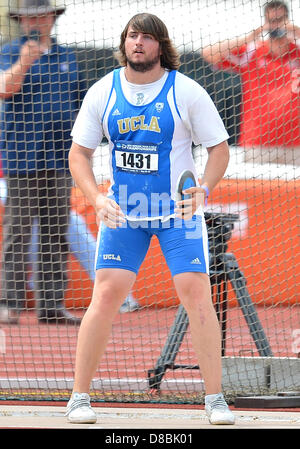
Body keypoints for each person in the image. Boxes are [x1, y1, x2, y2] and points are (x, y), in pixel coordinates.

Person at [65, 13, 235, 425]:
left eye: (146, 37)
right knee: (105, 295)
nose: (137, 42)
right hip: (125, 213)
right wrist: (95, 198)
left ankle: (215, 400)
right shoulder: (103, 91)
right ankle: (78, 398)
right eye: (131, 36)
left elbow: (219, 148)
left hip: (177, 213)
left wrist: (204, 189)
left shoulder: (186, 91)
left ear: (161, 45)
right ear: (124, 43)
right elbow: (78, 154)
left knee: (196, 292)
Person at [0, 0, 85, 325]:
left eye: (41, 16)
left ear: (52, 17)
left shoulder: (67, 56)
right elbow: (5, 89)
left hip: (61, 158)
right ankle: (9, 303)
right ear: (21, 21)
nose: (36, 22)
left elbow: (79, 106)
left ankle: (51, 306)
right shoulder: (10, 51)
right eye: (29, 18)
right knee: (17, 232)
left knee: (55, 232)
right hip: (22, 157)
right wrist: (24, 61)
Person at [202, 0, 300, 165]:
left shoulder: (297, 52)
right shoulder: (252, 52)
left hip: (295, 145)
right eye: (272, 21)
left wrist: (296, 31)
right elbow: (209, 54)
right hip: (257, 144)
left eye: (281, 20)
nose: (277, 27)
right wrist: (250, 37)